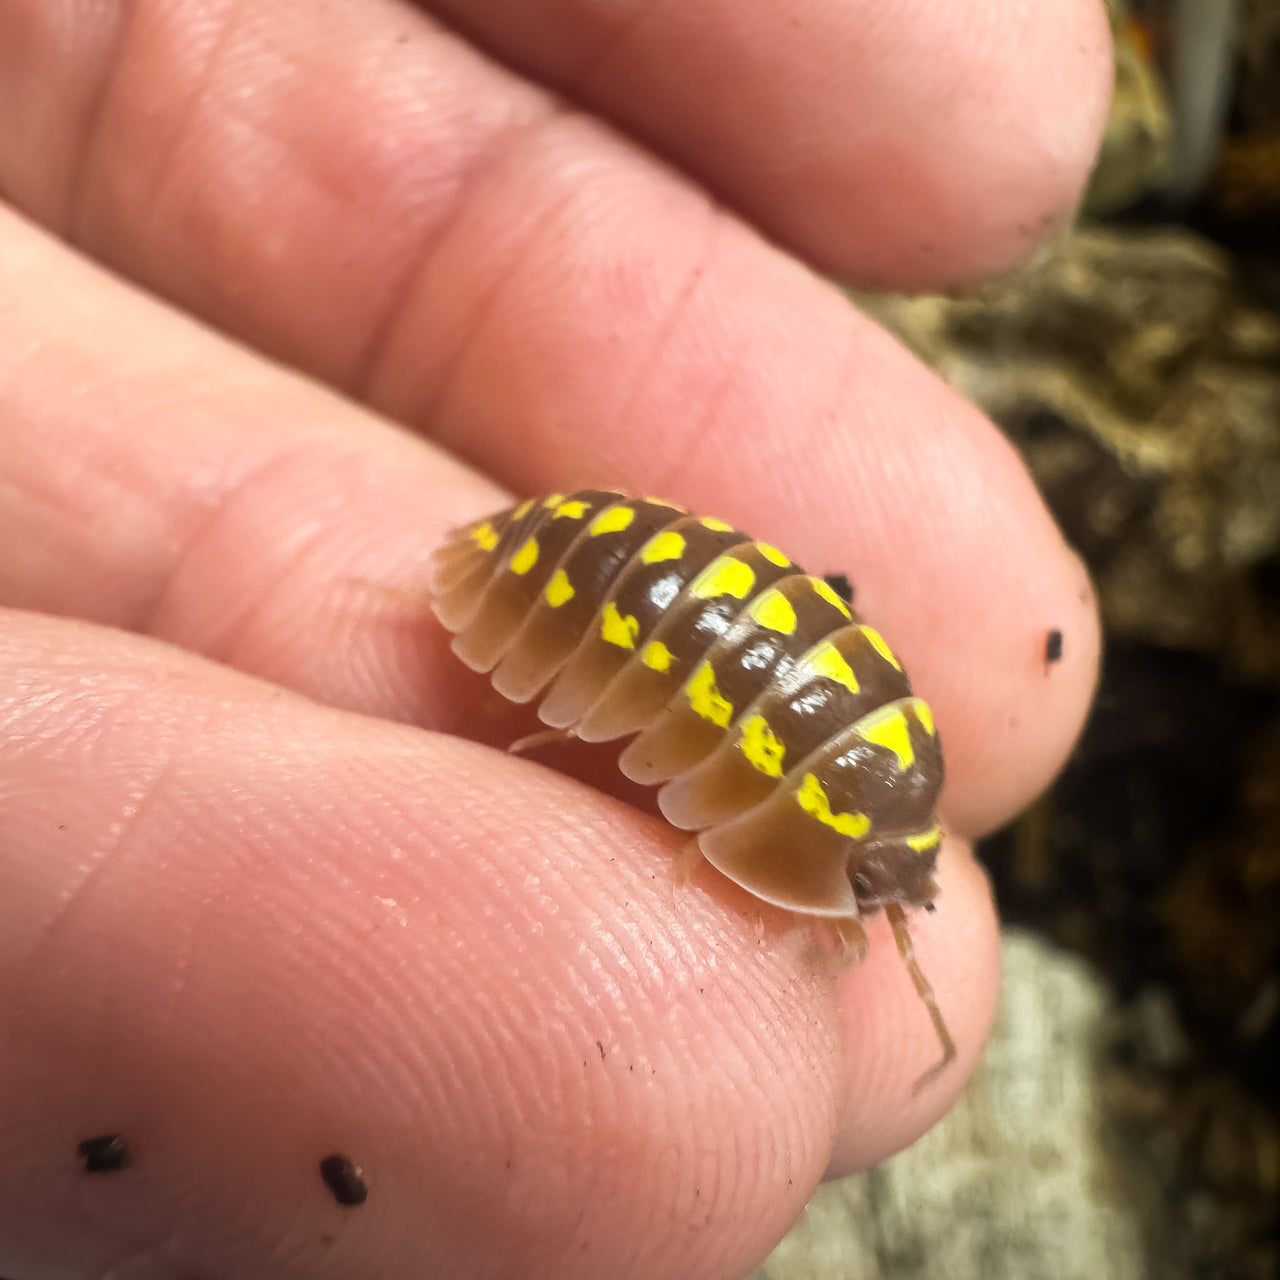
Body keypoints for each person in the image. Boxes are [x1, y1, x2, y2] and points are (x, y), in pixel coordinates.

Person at [0, 0, 1110, 1274]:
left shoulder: (871, 767)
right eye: (867, 875)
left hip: (626, 568)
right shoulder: (814, 792)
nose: (879, 890)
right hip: (570, 570)